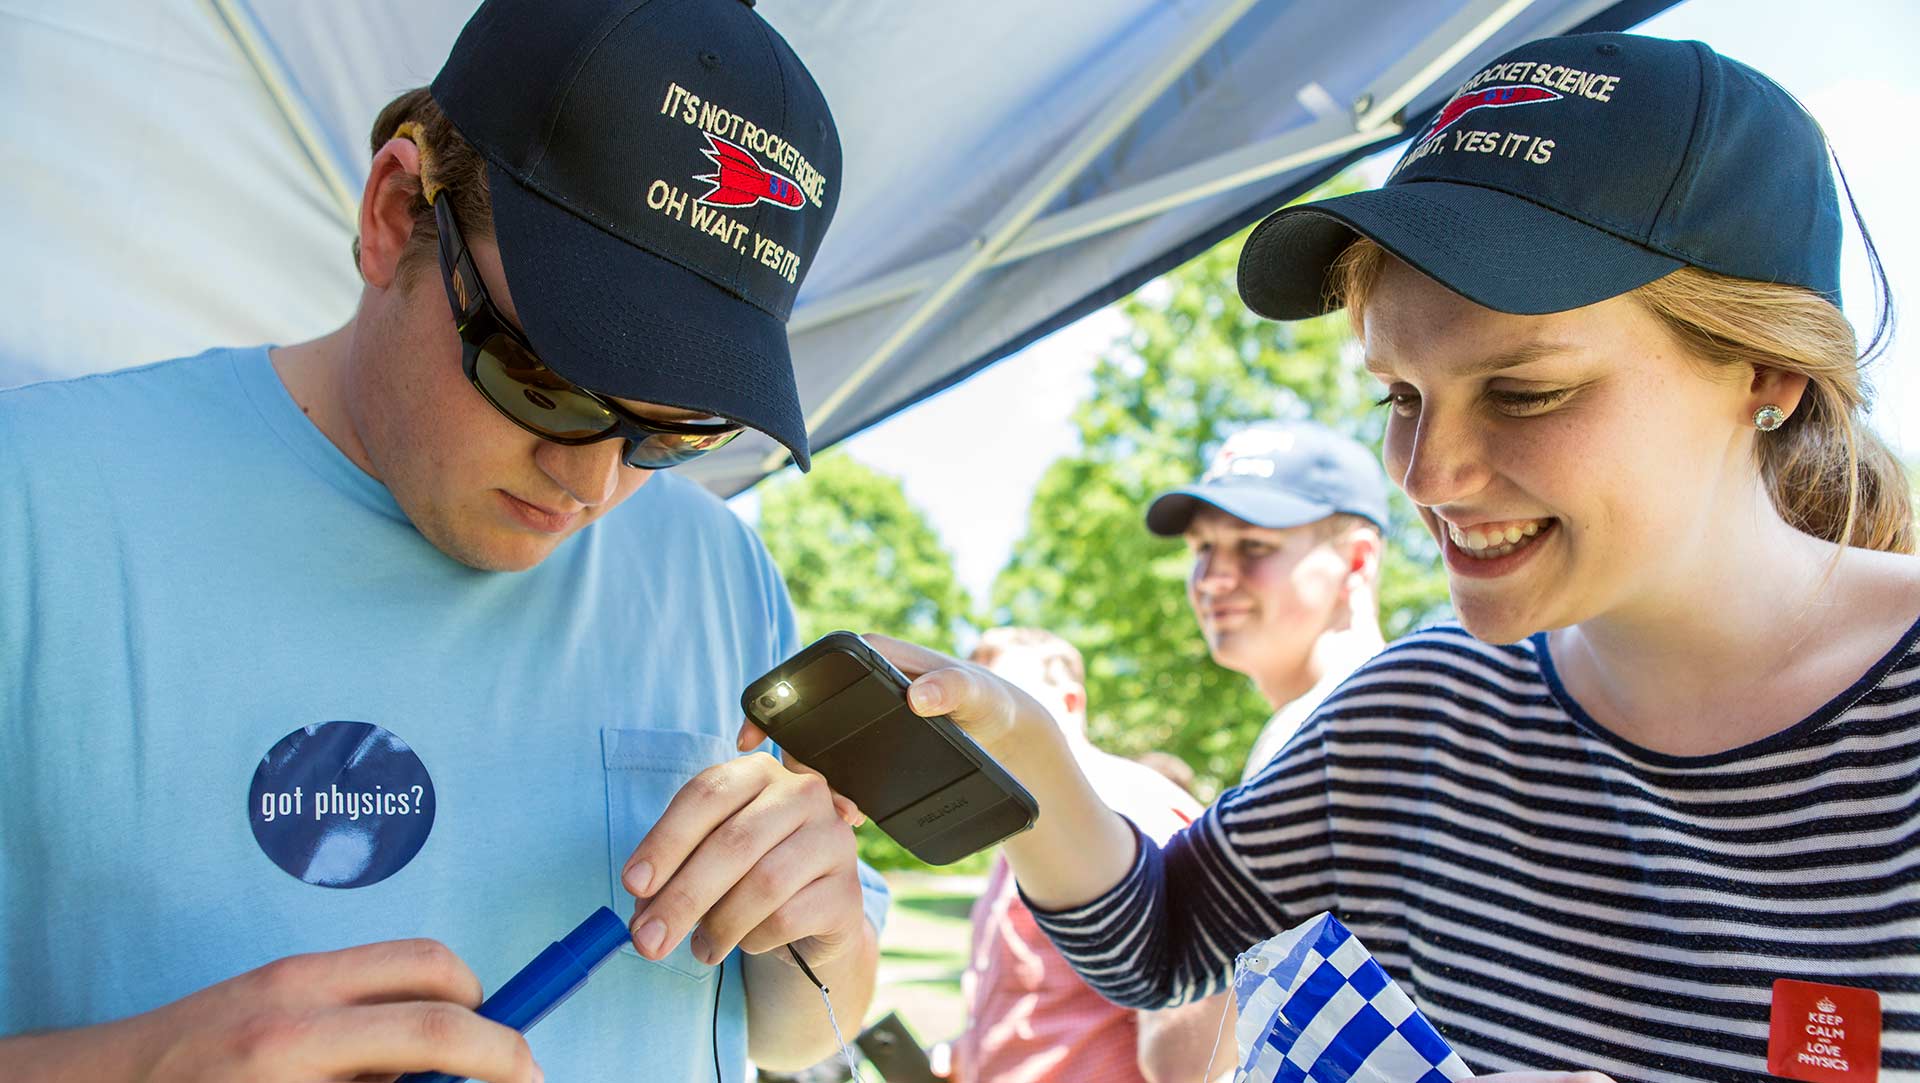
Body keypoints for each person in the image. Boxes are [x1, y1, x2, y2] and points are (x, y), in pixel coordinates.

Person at [844, 31, 1920, 1082]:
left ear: (1766, 375)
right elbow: (1158, 944)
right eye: (1400, 395)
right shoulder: (1428, 702)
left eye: (1525, 391)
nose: (1426, 473)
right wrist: (1020, 738)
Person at [0, 1, 886, 1080]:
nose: (593, 482)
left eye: (673, 430)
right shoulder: (37, 504)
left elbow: (782, 1030)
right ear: (391, 213)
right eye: (543, 383)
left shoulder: (718, 570)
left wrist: (819, 936)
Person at [947, 628, 1235, 1083]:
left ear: (1069, 703)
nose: (974, 720)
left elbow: (1189, 1048)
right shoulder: (1020, 817)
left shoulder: (1128, 803)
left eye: (1004, 698)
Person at [1145, 420, 1392, 782]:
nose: (1212, 578)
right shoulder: (1317, 725)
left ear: (1356, 561)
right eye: (1203, 547)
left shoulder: (1354, 723)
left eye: (1254, 545)